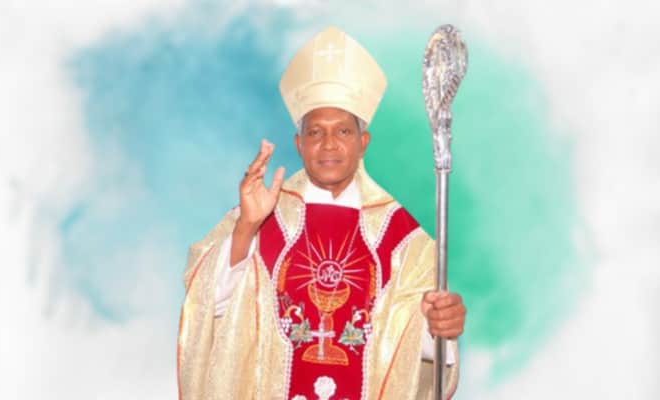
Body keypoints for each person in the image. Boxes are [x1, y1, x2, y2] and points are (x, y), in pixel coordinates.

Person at [177, 26, 466, 400]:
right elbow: (209, 307)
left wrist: (438, 324)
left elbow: (419, 352)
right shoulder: (261, 214)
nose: (329, 144)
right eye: (315, 132)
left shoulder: (401, 239)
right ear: (299, 144)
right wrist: (247, 228)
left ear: (363, 142)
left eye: (343, 132)